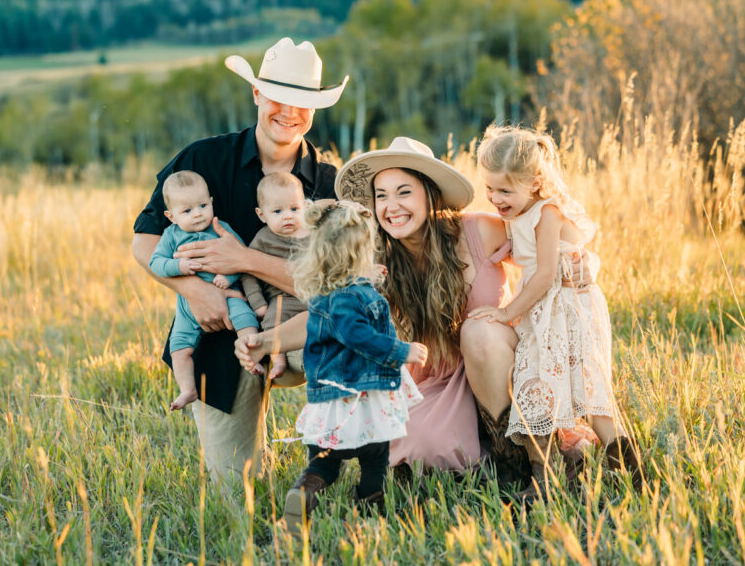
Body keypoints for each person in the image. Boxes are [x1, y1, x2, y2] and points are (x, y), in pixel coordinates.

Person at [236, 137, 593, 488]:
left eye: (404, 192)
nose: (392, 206)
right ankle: (495, 455)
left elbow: (549, 246)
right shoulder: (371, 256)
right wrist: (265, 341)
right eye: (382, 196)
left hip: (496, 362)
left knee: (477, 330)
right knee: (418, 444)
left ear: (428, 193)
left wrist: (585, 263)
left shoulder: (479, 231)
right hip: (436, 380)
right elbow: (331, 317)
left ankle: (522, 460)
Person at [132, 37, 347, 483]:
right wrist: (193, 291)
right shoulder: (202, 159)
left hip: (301, 328)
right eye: (278, 98)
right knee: (236, 486)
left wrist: (244, 259)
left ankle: (330, 460)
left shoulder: (329, 184)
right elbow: (144, 242)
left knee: (348, 336)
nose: (289, 113)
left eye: (302, 103)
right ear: (256, 93)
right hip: (217, 333)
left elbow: (336, 288)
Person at [469, 125, 641, 492]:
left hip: (566, 311)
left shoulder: (548, 212)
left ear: (534, 182)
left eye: (504, 189)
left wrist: (506, 311)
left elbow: (546, 273)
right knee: (537, 388)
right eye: (489, 188)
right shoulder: (520, 213)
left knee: (588, 385)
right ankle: (545, 474)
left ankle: (626, 465)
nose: (494, 198)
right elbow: (531, 262)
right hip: (545, 312)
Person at [282, 200, 426, 536]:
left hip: (330, 399)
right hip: (361, 395)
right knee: (375, 457)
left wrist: (368, 277)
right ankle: (370, 511)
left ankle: (304, 491)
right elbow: (355, 334)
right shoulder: (351, 298)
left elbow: (346, 309)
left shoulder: (328, 292)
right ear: (360, 253)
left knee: (325, 461)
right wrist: (400, 351)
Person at [148, 170, 260, 411]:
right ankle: (187, 390)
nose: (197, 213)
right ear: (171, 216)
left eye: (201, 205)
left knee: (244, 317)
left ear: (211, 202)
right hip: (188, 306)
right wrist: (178, 265)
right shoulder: (170, 236)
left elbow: (241, 258)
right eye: (187, 211)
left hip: (228, 294)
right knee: (178, 349)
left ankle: (251, 356)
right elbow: (155, 263)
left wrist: (226, 275)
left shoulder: (221, 228)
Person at [240, 172, 310, 381]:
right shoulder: (262, 239)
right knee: (272, 319)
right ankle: (278, 360)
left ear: (305, 207)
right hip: (282, 300)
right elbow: (247, 274)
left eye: (294, 209)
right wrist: (257, 303)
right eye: (277, 211)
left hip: (310, 299)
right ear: (262, 215)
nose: (287, 216)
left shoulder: (313, 234)